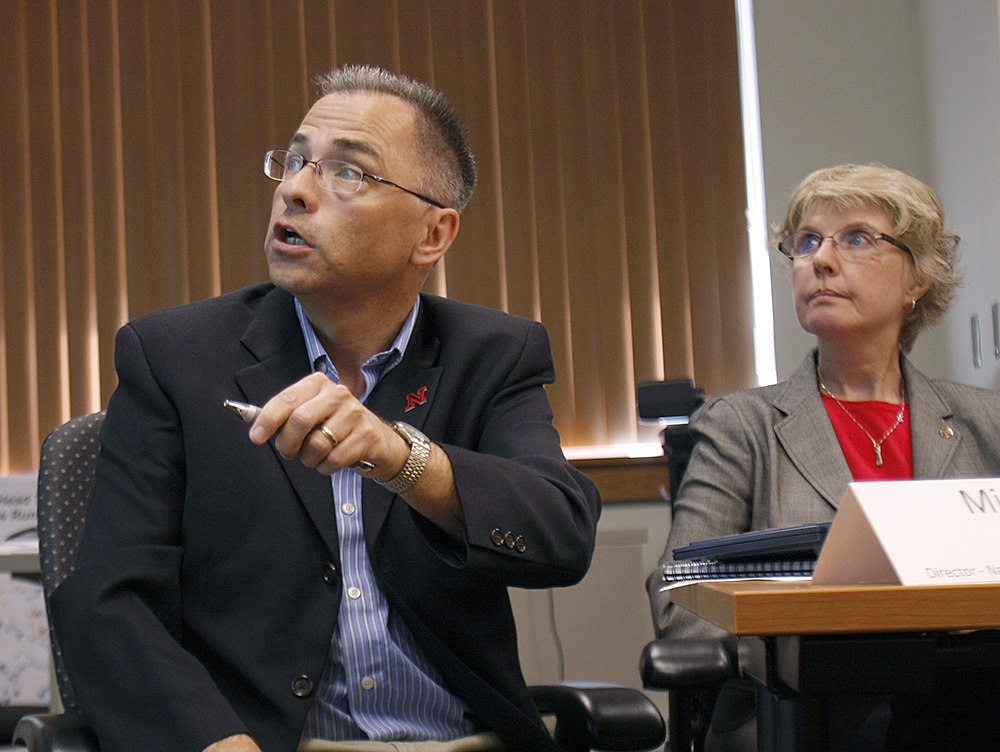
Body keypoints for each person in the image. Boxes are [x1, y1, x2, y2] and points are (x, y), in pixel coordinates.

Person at [50, 65, 601, 752]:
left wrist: (403, 460)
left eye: (348, 173)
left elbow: (560, 536)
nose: (294, 189)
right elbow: (109, 604)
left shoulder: (491, 354)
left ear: (432, 234)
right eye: (296, 160)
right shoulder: (174, 358)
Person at [648, 163, 1000, 751]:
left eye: (857, 238)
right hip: (805, 710)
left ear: (918, 279)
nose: (821, 259)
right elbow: (679, 600)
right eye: (807, 242)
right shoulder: (742, 427)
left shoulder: (985, 422)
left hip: (969, 695)